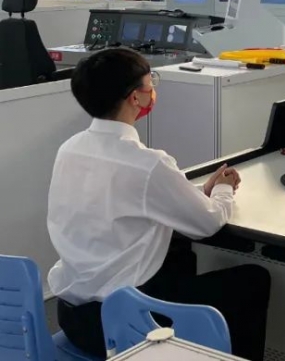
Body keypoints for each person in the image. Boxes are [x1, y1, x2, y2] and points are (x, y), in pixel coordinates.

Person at [48, 48, 271, 360]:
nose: (153, 90)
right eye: (150, 82)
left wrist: (196, 191)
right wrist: (222, 189)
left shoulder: (70, 149)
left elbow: (123, 198)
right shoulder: (147, 164)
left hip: (73, 317)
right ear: (135, 97)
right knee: (252, 280)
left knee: (179, 259)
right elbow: (207, 223)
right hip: (126, 325)